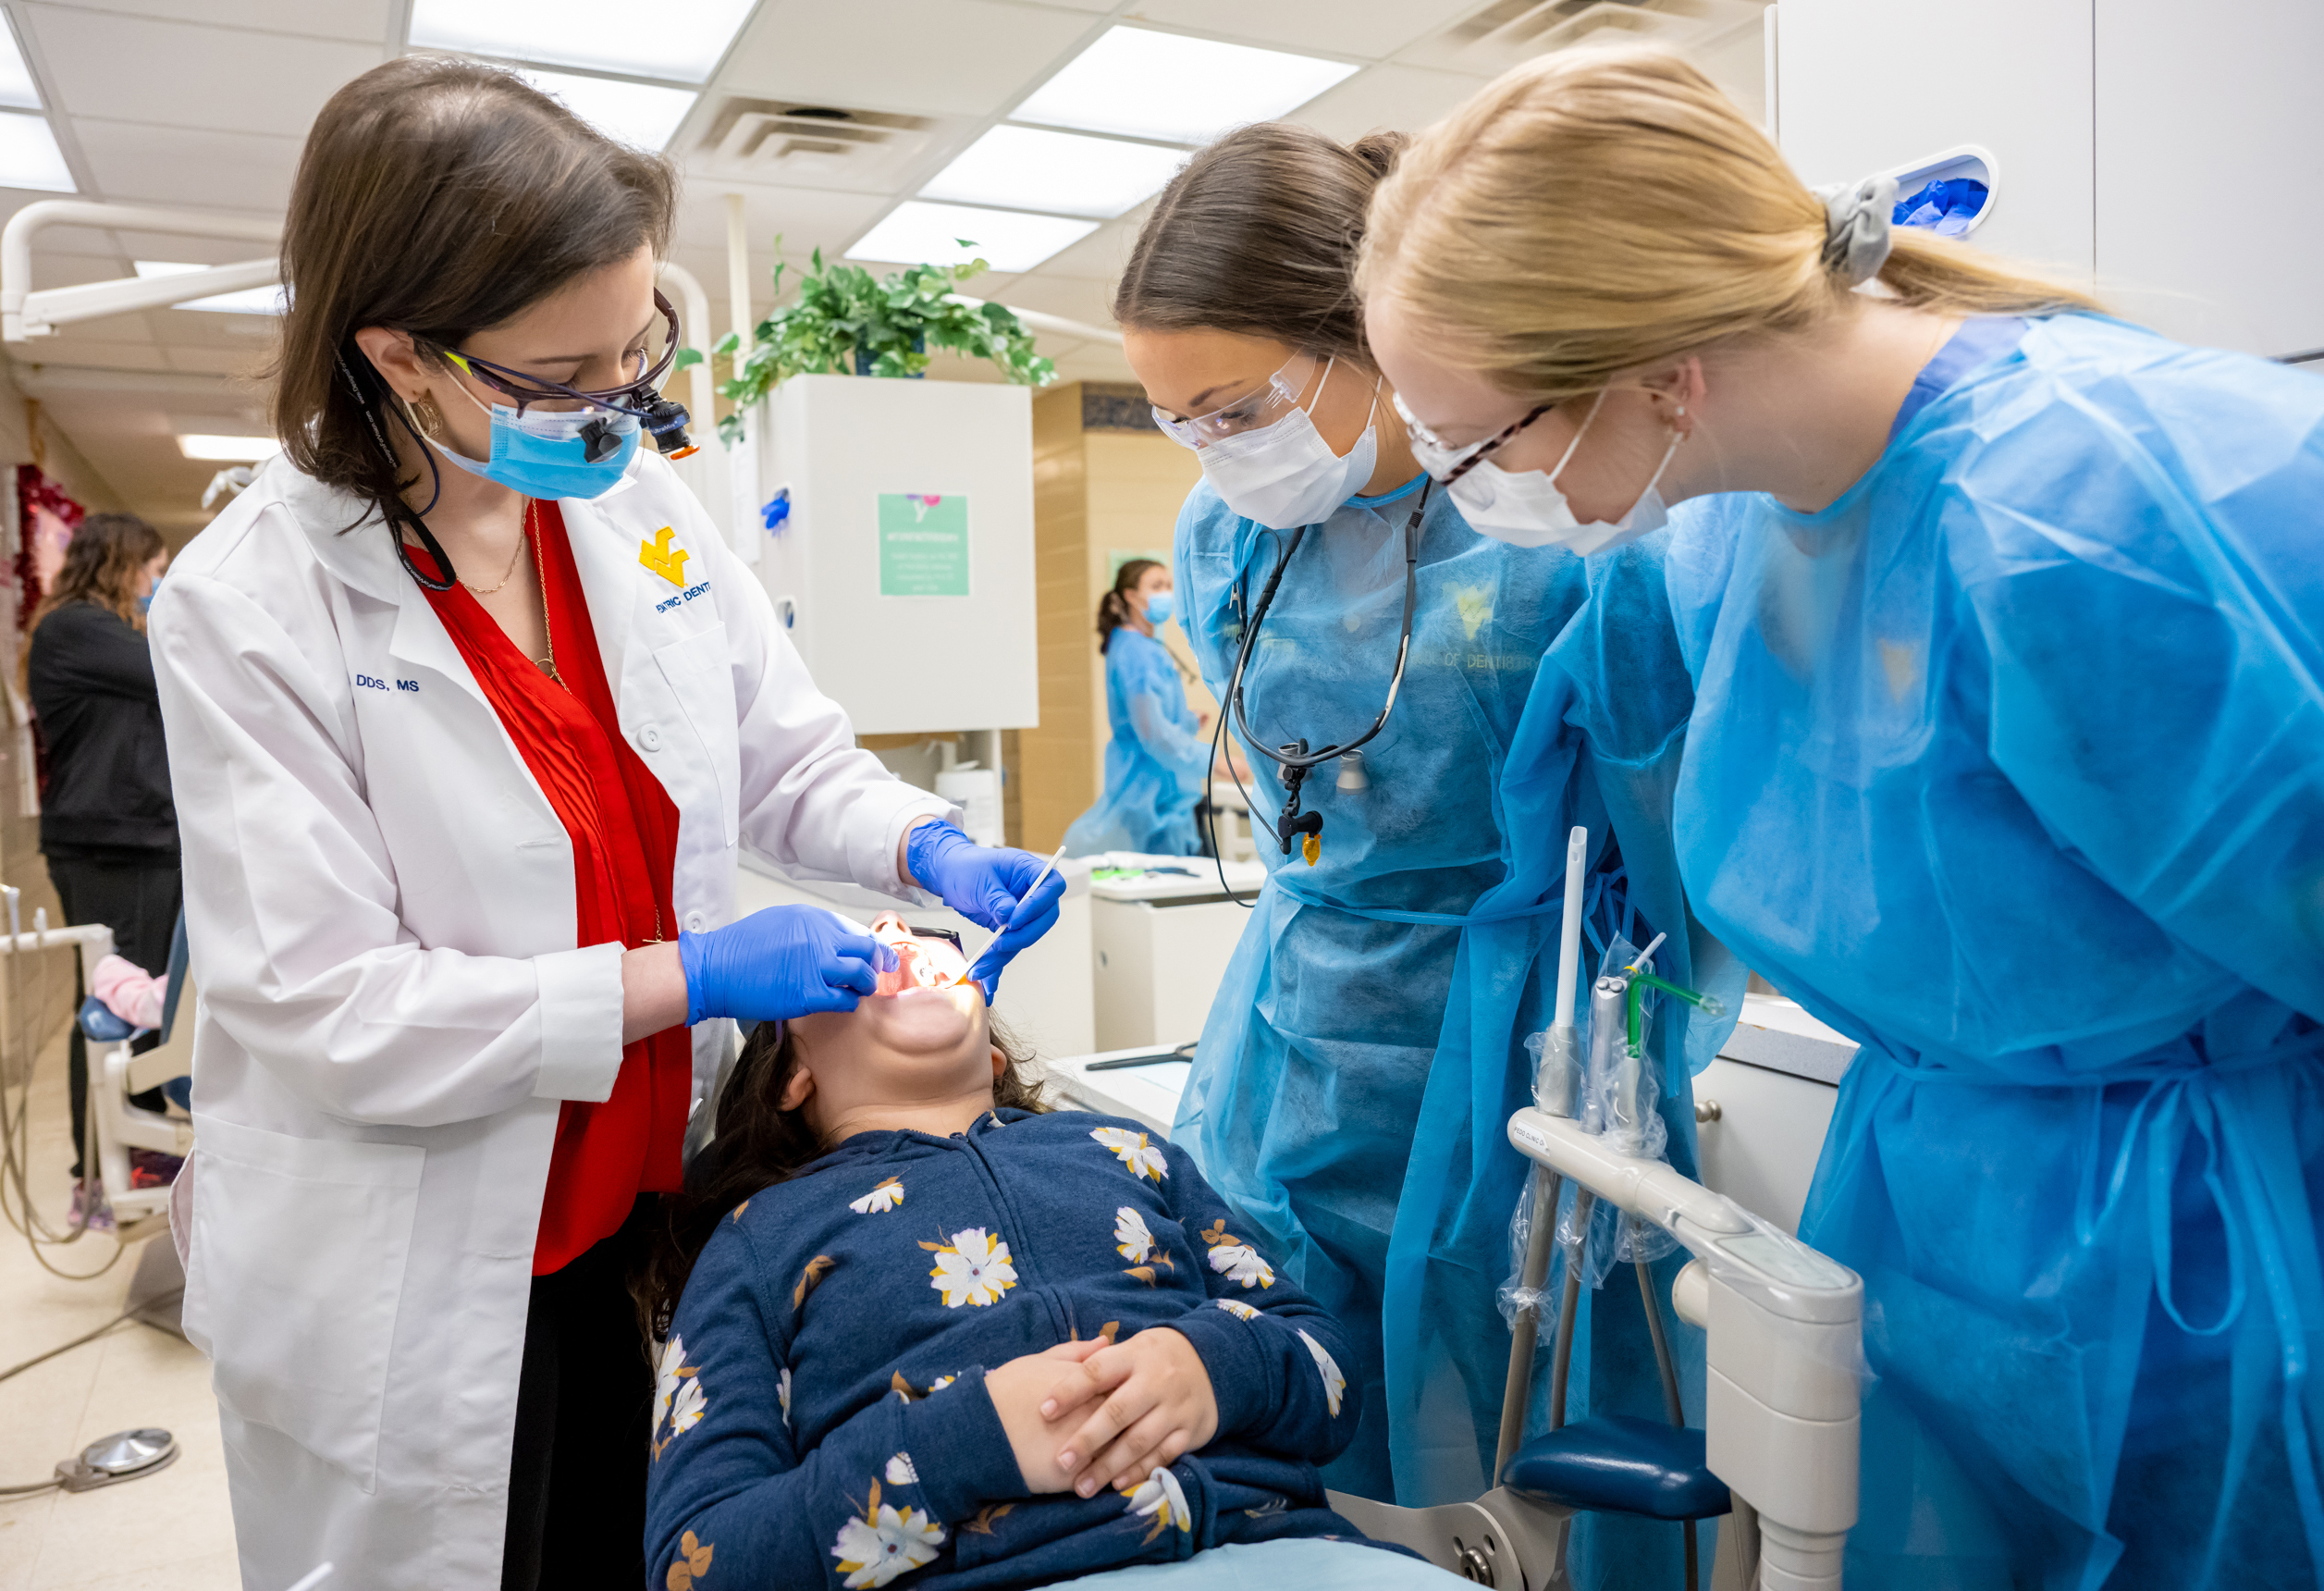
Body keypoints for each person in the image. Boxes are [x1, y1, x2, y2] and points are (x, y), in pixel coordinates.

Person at [1359, 45, 2324, 1590]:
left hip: (2213, 1267)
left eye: (1478, 448)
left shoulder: (2086, 518)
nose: (1476, 496)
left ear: (1656, 368)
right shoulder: (1724, 532)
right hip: (1936, 1225)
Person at [148, 58, 1062, 1591]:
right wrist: (685, 978)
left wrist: (928, 846)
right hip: (414, 1254)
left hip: (641, 1215)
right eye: (559, 375)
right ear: (400, 355)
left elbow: (783, 760)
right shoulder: (248, 605)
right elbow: (325, 1008)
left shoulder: (631, 500)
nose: (615, 410)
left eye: (632, 351)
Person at [1114, 118, 1734, 1553]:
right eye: (1180, 419)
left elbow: (1670, 839)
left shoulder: (1556, 524)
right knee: (1291, 1396)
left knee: (1512, 1435)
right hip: (1293, 1033)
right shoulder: (1226, 538)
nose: (1217, 451)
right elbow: (1295, 800)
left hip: (1516, 1042)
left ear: (1369, 331)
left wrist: (1645, 1023)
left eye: (1235, 404)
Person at [638, 912, 1467, 1590]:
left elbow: (1328, 1368)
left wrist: (1210, 1368)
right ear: (791, 1075)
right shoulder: (757, 1239)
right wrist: (966, 1442)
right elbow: (695, 1560)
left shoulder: (1120, 1149)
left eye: (924, 942)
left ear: (989, 1054)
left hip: (1276, 1555)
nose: (895, 940)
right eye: (853, 948)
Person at [23, 512, 176, 1228]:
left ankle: (134, 1150)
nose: (159, 586)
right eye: (154, 571)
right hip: (113, 845)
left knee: (141, 1006)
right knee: (116, 1007)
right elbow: (174, 668)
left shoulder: (105, 634)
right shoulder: (74, 628)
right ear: (120, 564)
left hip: (138, 840)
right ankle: (97, 1175)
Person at [1061, 559, 1211, 857]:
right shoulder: (1138, 652)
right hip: (1149, 791)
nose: (1166, 593)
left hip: (1156, 790)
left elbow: (1147, 716)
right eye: (1156, 586)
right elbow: (1153, 733)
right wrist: (1214, 760)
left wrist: (1187, 721)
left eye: (1169, 585)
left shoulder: (1136, 645)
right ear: (1130, 596)